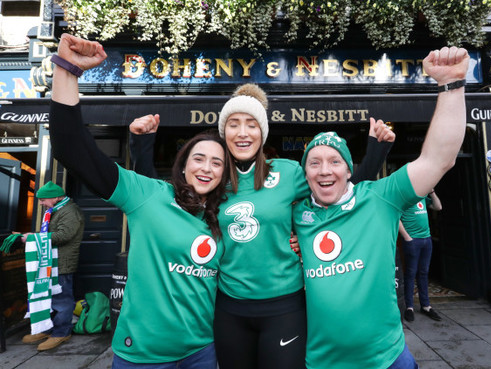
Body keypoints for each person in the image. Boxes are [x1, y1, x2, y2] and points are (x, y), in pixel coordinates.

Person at [129, 85, 395, 369]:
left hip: (284, 307)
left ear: (262, 132)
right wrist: (141, 146)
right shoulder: (213, 176)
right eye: (234, 124)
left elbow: (336, 190)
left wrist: (376, 152)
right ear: (224, 132)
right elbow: (163, 206)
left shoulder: (288, 172)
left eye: (251, 124)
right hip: (229, 307)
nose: (243, 133)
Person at [48, 33, 230, 368]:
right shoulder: (150, 194)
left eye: (217, 163)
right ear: (184, 164)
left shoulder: (222, 214)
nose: (206, 168)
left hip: (202, 352)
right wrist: (67, 71)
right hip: (143, 356)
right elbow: (71, 148)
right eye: (198, 158)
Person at [292, 46, 468, 368]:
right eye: (314, 163)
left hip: (388, 359)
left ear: (349, 170)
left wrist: (451, 85)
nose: (325, 170)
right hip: (321, 362)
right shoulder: (295, 215)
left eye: (334, 161)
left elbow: (438, 159)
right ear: (305, 174)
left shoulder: (379, 196)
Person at [17, 181, 84, 351]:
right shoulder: (55, 210)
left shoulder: (70, 211)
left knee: (62, 300)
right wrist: (33, 235)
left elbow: (64, 235)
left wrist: (33, 238)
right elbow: (50, 234)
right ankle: (47, 329)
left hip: (62, 263)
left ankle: (61, 332)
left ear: (55, 197)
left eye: (43, 200)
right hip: (50, 262)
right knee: (48, 298)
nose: (40, 203)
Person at [400, 190, 443, 322]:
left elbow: (438, 207)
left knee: (423, 273)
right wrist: (407, 238)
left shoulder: (422, 196)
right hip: (412, 240)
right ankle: (409, 307)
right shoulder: (404, 197)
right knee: (411, 274)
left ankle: (426, 306)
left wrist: (433, 193)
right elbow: (396, 219)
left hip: (426, 239)